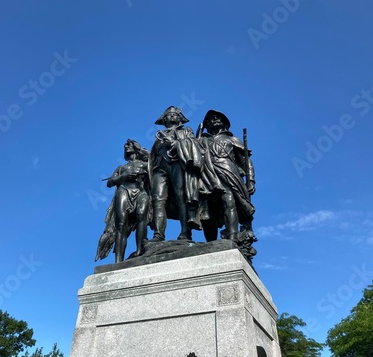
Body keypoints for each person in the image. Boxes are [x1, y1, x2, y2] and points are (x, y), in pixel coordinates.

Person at [198, 110, 257, 261]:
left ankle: (232, 239)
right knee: (207, 211)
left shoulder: (232, 139)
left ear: (224, 122)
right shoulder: (201, 140)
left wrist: (250, 181)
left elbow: (246, 162)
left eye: (217, 118)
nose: (214, 120)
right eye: (210, 119)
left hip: (227, 171)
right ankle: (210, 244)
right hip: (206, 175)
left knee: (229, 201)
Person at [149, 106, 202, 241]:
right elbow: (152, 157)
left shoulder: (186, 131)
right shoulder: (159, 136)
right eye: (169, 115)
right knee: (157, 200)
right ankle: (158, 234)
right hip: (159, 167)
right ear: (164, 119)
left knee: (181, 197)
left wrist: (174, 143)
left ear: (179, 118)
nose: (172, 116)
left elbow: (193, 145)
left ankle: (185, 232)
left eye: (174, 114)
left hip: (177, 164)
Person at [95, 140, 151, 263]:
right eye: (125, 146)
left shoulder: (145, 163)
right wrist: (124, 176)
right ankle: (118, 260)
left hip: (141, 191)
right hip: (124, 190)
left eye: (129, 145)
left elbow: (155, 163)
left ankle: (140, 251)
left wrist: (142, 152)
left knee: (142, 218)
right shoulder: (122, 167)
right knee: (121, 225)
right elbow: (110, 183)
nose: (126, 147)